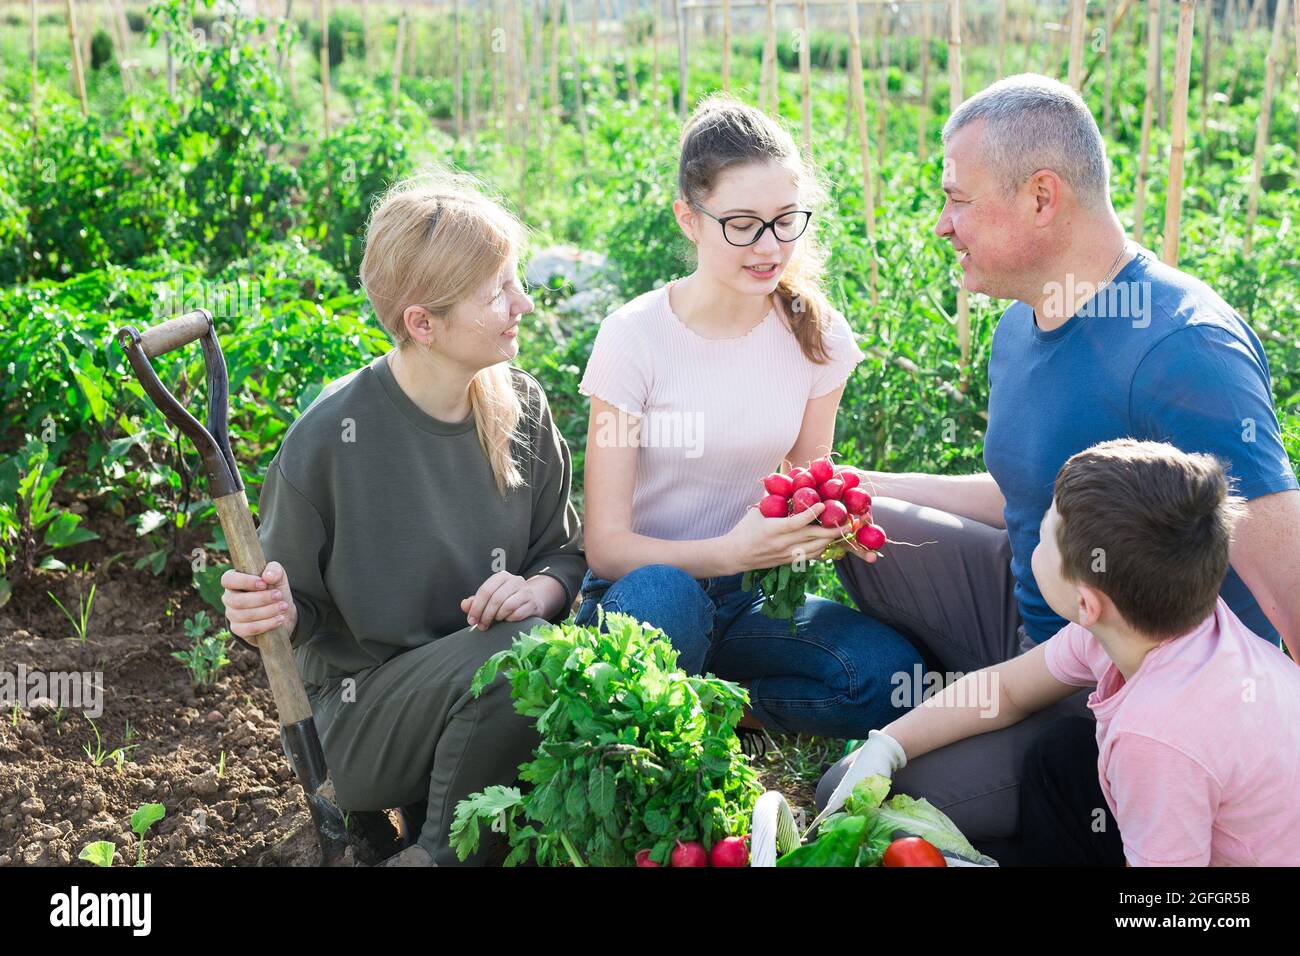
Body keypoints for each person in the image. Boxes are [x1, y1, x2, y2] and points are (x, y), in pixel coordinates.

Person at [818, 74, 1300, 846]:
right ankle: (962, 693)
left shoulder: (1181, 350)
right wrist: (861, 484)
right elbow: (1025, 490)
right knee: (861, 537)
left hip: (1127, 659)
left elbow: (1290, 583)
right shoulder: (1022, 322)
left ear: (1043, 196)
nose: (943, 225)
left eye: (958, 200)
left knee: (905, 797)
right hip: (1054, 619)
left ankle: (1019, 726)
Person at [219, 174, 586, 865]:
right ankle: (436, 855)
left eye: (516, 282)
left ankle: (435, 823)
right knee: (522, 655)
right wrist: (265, 610)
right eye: (498, 292)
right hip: (360, 724)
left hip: (482, 705)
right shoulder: (331, 437)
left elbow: (563, 554)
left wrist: (535, 591)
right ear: (423, 323)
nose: (524, 304)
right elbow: (289, 608)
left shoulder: (522, 409)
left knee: (538, 657)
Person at [575, 93, 923, 744]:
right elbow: (606, 545)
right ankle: (661, 711)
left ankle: (719, 708)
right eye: (742, 224)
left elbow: (807, 479)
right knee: (664, 603)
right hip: (639, 590)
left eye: (786, 221)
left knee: (887, 674)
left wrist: (824, 526)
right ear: (689, 218)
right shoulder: (635, 337)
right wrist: (725, 550)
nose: (770, 247)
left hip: (747, 597)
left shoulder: (816, 335)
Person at [821, 440, 1300, 866]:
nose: (1032, 536)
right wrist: (889, 745)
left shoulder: (1155, 738)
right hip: (1203, 815)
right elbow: (1006, 690)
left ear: (1086, 602)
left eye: (1046, 534)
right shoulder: (1147, 619)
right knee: (1060, 753)